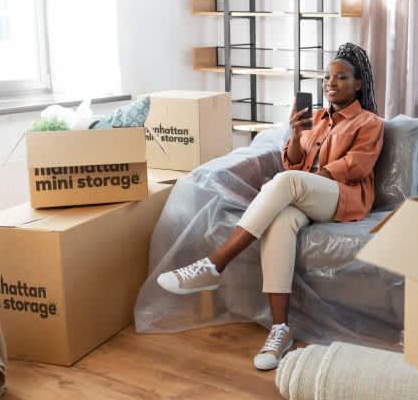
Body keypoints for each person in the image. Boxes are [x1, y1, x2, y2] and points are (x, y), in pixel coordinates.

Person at [157, 42, 384, 371]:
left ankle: (214, 264)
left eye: (341, 77)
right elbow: (293, 162)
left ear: (358, 83)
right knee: (280, 221)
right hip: (306, 195)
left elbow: (356, 167)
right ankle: (280, 330)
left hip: (342, 196)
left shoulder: (369, 122)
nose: (331, 83)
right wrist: (296, 135)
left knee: (287, 182)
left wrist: (310, 178)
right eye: (326, 77)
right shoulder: (314, 119)